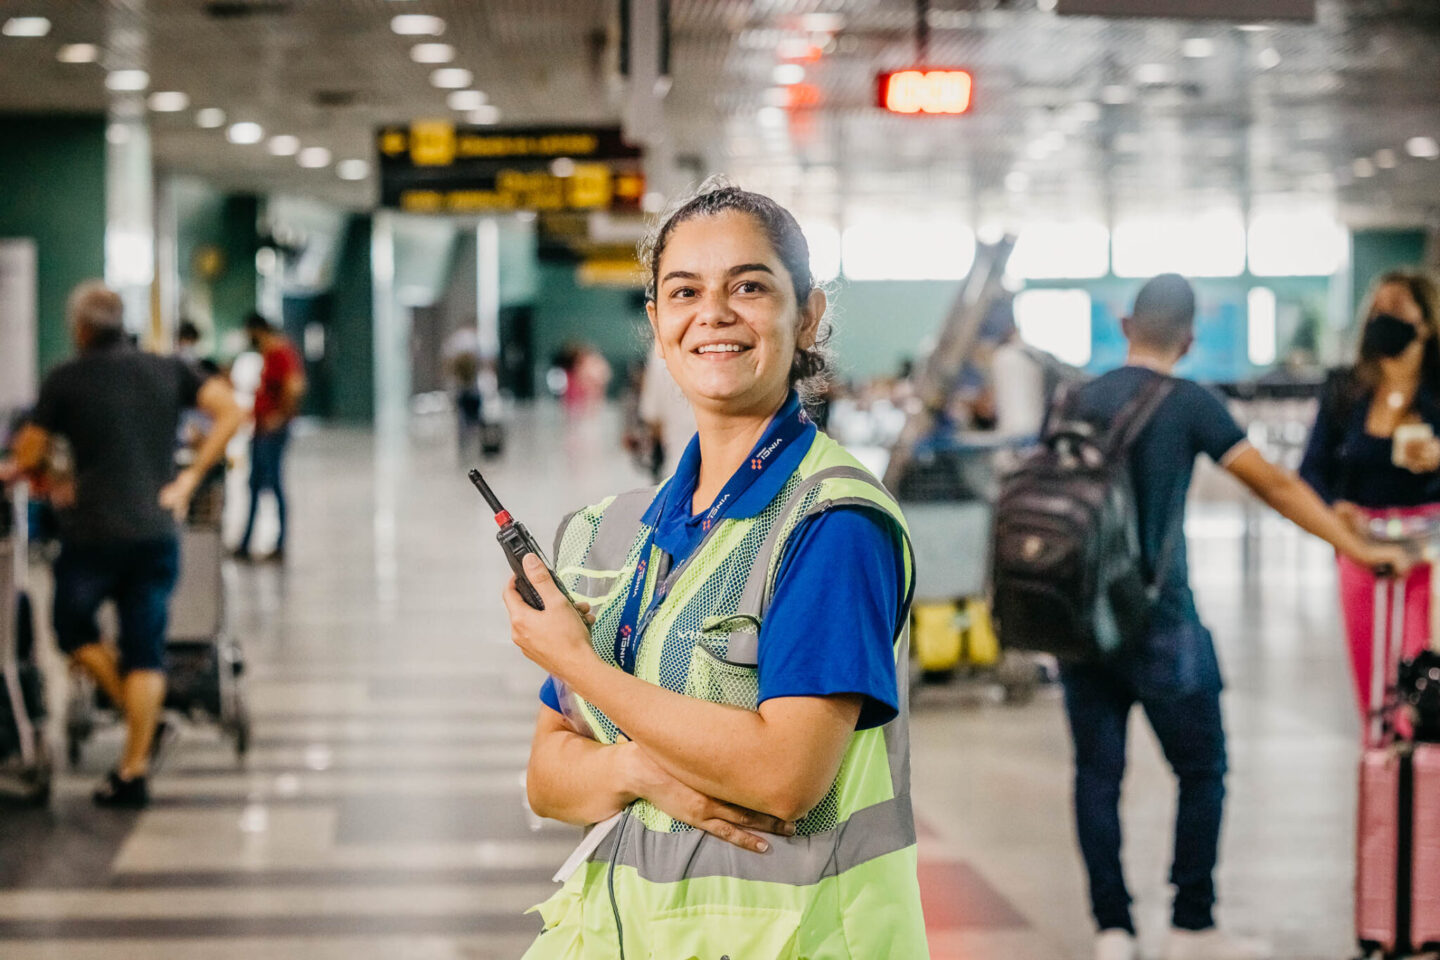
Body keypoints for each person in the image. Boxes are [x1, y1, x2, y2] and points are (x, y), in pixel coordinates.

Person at [502, 180, 929, 958]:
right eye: (685, 292)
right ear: (658, 325)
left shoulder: (832, 524)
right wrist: (637, 769)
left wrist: (575, 662)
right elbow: (546, 777)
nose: (715, 313)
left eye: (750, 286)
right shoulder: (610, 535)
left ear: (808, 315)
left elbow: (783, 773)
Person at [1058, 274, 1408, 960]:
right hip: (1165, 622)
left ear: (1128, 325)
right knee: (1203, 769)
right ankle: (1192, 924)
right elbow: (1275, 484)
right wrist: (1356, 546)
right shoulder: (1191, 403)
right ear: (1188, 339)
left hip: (1079, 620)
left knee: (1097, 775)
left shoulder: (1077, 397)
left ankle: (1113, 930)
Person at [0, 282, 243, 807]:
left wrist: (35, 463)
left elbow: (30, 452)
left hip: (92, 536)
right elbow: (231, 411)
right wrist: (190, 479)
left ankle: (141, 731)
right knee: (145, 652)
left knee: (71, 628)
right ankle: (134, 767)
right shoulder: (166, 369)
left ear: (81, 329)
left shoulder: (65, 379)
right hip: (156, 531)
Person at [1299, 269, 1440, 727]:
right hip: (1362, 545)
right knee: (1374, 679)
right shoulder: (1346, 388)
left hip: (1431, 552)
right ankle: (1385, 775)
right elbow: (1313, 470)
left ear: (1426, 321)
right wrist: (1336, 509)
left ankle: (1423, 770)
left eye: (1398, 311)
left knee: (1422, 673)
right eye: (1378, 311)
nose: (1385, 320)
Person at [234, 312, 305, 562]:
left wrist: (279, 416)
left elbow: (294, 386)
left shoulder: (280, 352)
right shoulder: (268, 353)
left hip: (272, 432)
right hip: (261, 429)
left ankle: (279, 543)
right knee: (254, 485)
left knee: (273, 484)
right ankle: (245, 543)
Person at [636, 343, 697, 481]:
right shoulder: (659, 353)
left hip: (675, 469)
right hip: (678, 470)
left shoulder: (659, 352)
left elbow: (652, 418)